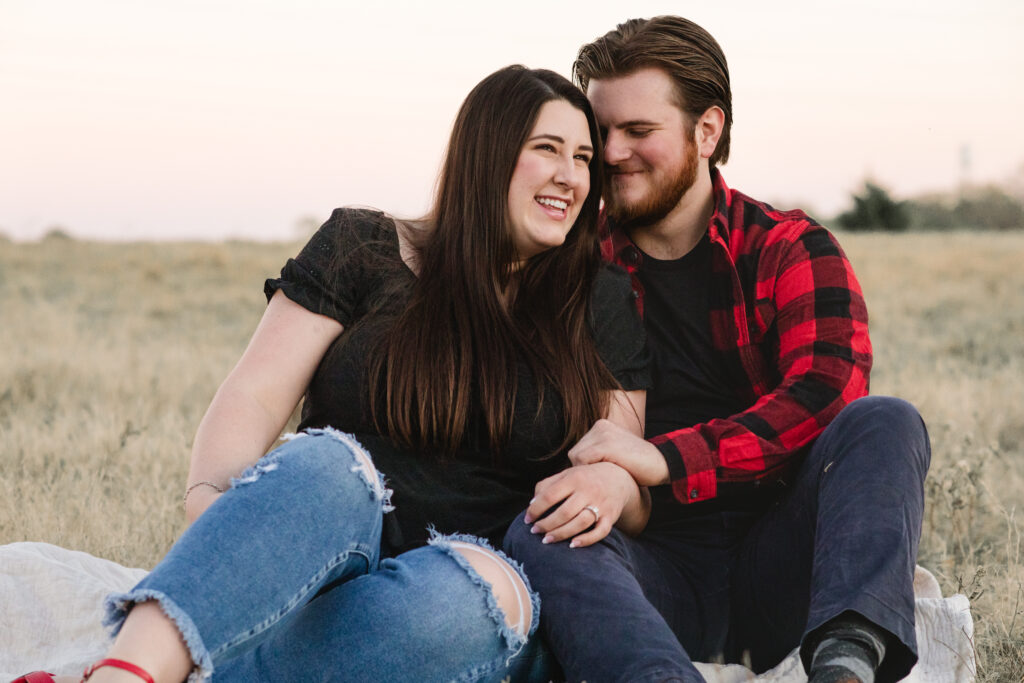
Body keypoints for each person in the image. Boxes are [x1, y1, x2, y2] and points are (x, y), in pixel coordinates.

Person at [13, 65, 651, 683]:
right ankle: (125, 675)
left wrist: (616, 482)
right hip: (319, 553)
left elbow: (619, 472)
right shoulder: (361, 246)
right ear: (485, 155)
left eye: (584, 158)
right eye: (548, 149)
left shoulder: (598, 300)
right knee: (326, 463)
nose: (571, 176)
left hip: (463, 593)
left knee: (468, 600)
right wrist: (210, 501)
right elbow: (256, 396)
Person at [504, 16, 931, 683]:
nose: (611, 152)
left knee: (886, 420)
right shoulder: (571, 269)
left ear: (707, 130)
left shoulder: (789, 248)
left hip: (782, 561)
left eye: (639, 131)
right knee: (544, 528)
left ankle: (845, 667)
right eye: (600, 131)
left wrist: (662, 458)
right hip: (651, 570)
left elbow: (825, 393)